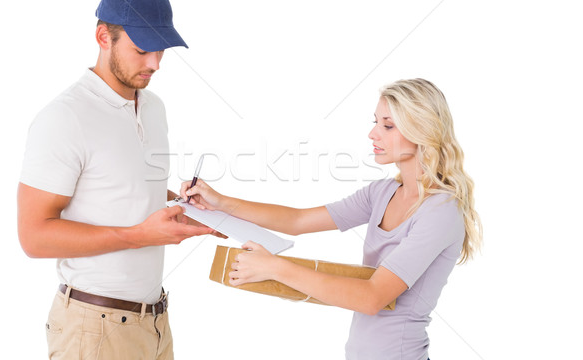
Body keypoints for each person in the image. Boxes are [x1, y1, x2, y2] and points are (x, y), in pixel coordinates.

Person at [181, 78, 482, 360]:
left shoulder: (440, 210)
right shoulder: (383, 192)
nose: (373, 133)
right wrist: (220, 202)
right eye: (375, 122)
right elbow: (297, 220)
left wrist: (274, 267)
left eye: (388, 126)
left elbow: (372, 297)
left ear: (422, 130)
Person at [17, 0, 221, 360]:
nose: (155, 64)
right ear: (103, 37)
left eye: (161, 50)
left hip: (155, 323)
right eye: (142, 49)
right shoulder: (64, 118)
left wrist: (185, 205)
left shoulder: (154, 107)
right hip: (92, 330)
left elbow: (120, 186)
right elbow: (33, 236)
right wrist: (139, 235)